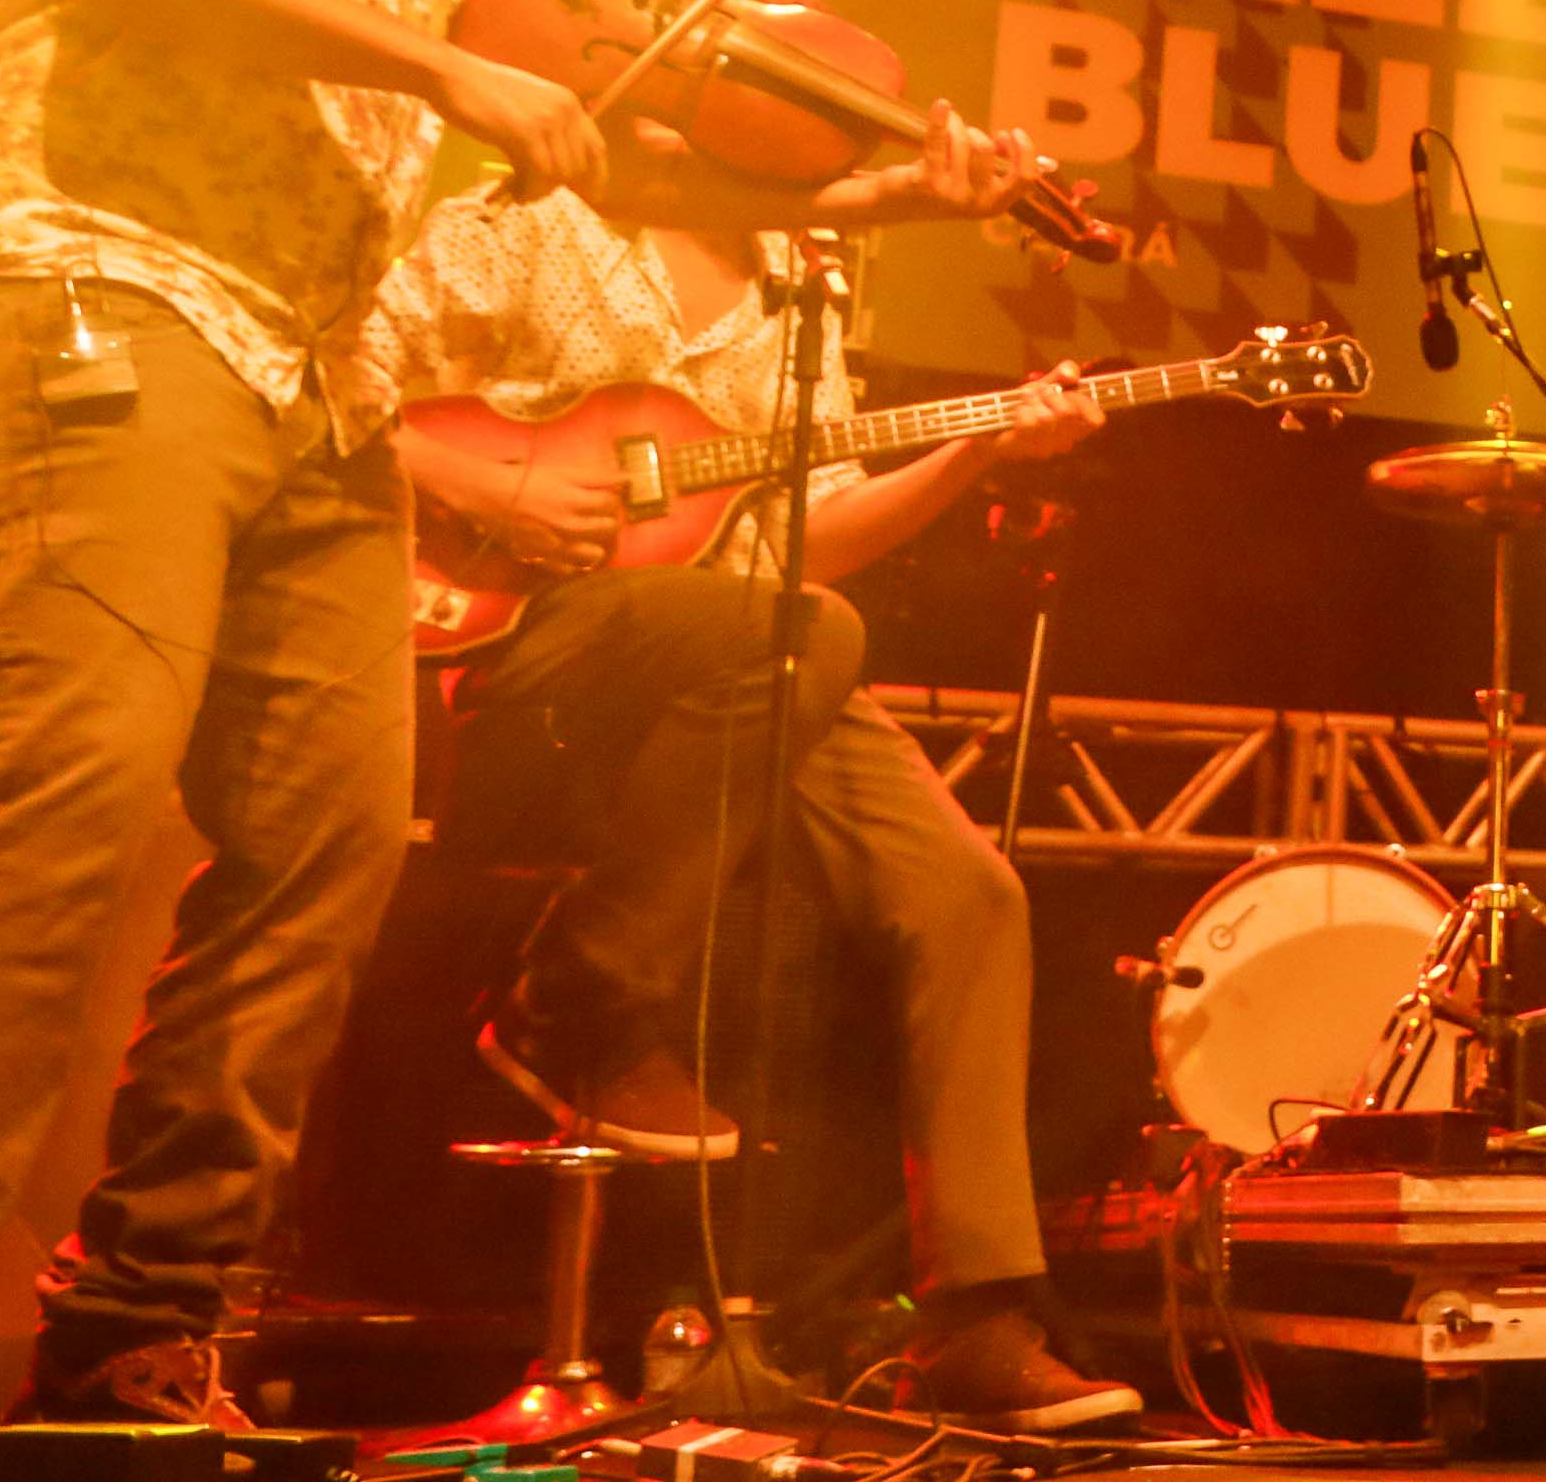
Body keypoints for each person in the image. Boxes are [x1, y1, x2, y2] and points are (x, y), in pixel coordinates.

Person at [0, 0, 692, 1427]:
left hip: (318, 385)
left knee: (332, 842)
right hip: (112, 286)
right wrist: (439, 63)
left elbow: (579, 143)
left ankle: (137, 1318)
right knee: (65, 799)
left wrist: (885, 190)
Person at [371, 180, 1140, 1432]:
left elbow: (805, 544)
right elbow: (337, 377)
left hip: (762, 648)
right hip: (526, 632)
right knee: (807, 631)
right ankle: (576, 996)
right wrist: (482, 486)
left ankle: (974, 1320)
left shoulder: (801, 280)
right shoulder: (532, 213)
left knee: (969, 893)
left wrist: (975, 451)